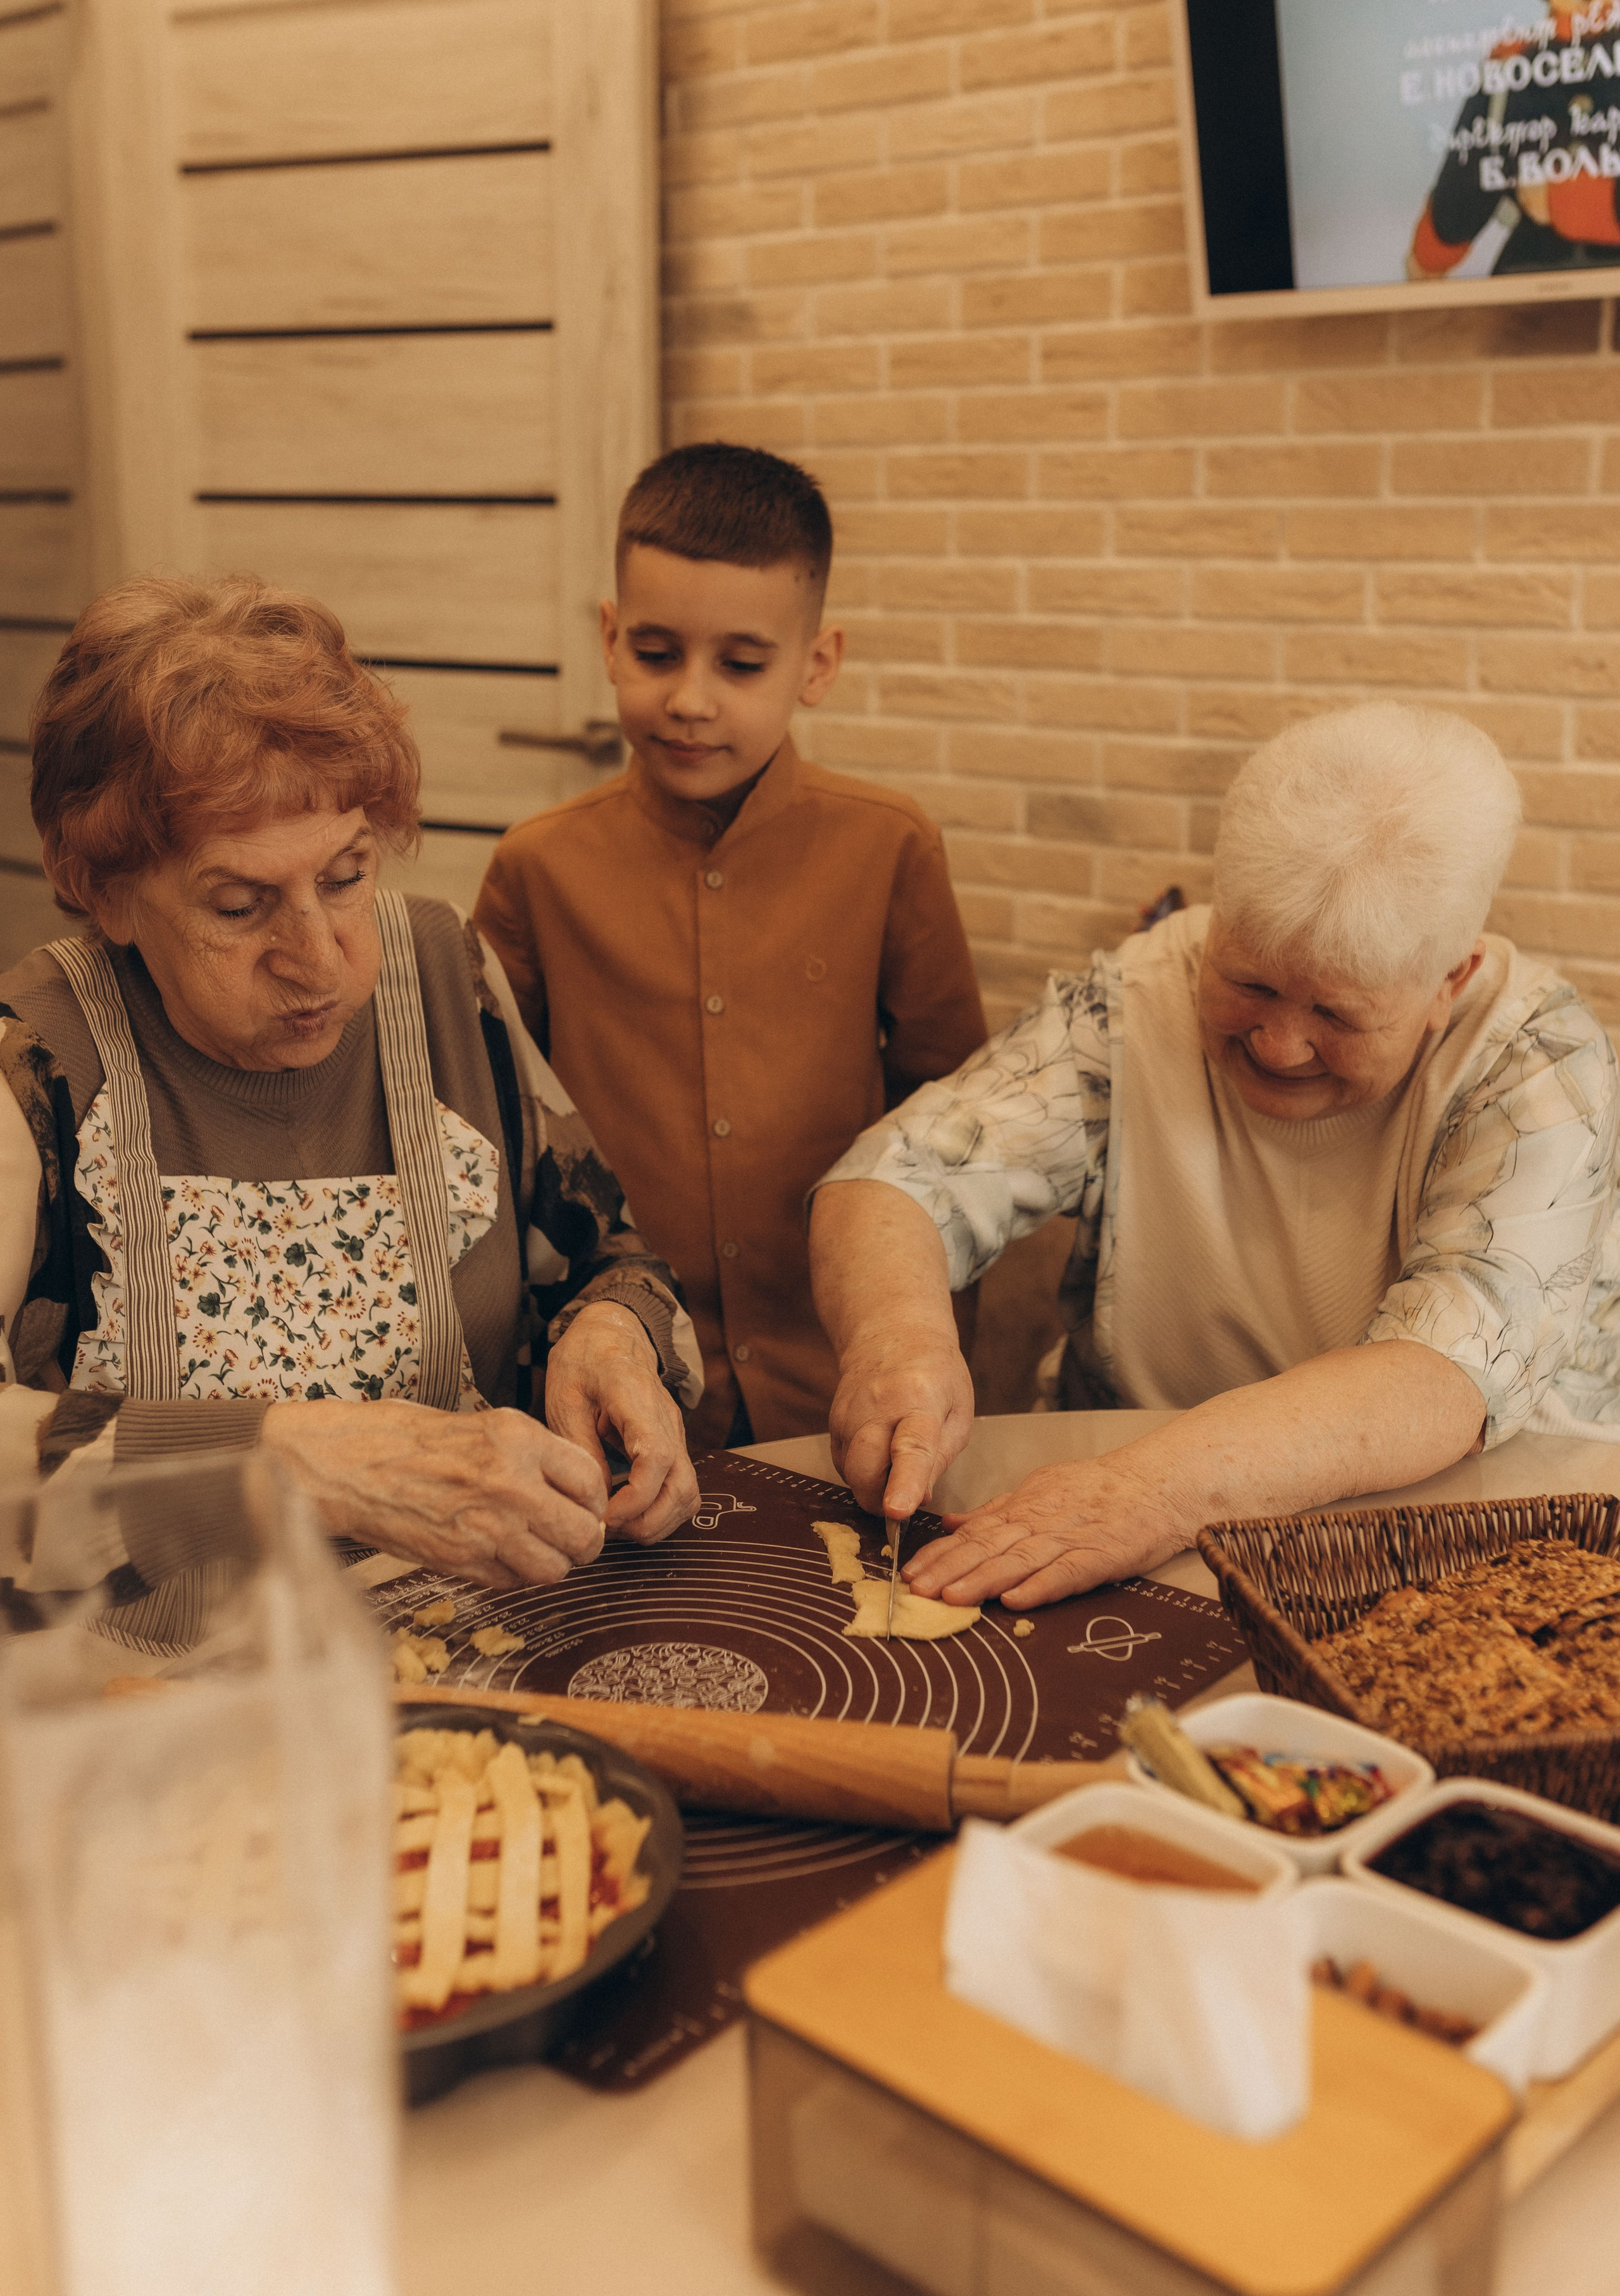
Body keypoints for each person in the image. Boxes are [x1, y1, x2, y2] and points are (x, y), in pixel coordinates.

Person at [810, 703, 1620, 1611]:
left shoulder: (1537, 1068)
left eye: (1337, 1016)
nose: (1278, 1044)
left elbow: (1441, 1375)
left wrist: (1145, 1493)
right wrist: (900, 1341)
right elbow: (898, 1175)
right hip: (1121, 1526)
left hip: (1459, 1549)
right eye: (1248, 982)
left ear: (1449, 984)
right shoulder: (1134, 1001)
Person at [0, 574, 704, 1588]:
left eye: (345, 876)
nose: (321, 960)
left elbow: (613, 1260)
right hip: (150, 1698)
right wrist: (291, 1461)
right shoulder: (36, 1069)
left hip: (469, 1670)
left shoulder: (446, 980)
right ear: (106, 894)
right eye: (241, 907)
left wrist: (611, 1338)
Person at [474, 442, 987, 1452]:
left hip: (842, 1377)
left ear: (818, 664)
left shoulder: (888, 847)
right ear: (611, 640)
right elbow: (488, 1144)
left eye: (742, 665)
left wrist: (927, 1345)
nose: (693, 700)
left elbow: (959, 1127)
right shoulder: (538, 869)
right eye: (657, 654)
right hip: (620, 1385)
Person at [1409, 0, 1620, 280]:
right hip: (1528, 286)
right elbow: (1461, 194)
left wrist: (1567, 201)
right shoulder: (1513, 64)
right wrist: (1420, 271)